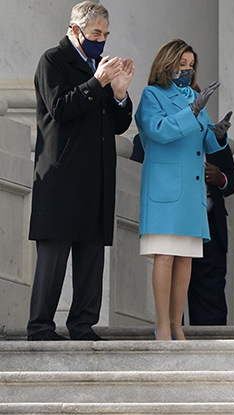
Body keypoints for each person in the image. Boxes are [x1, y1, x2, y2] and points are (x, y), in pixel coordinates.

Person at [27, 1, 134, 341]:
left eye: (105, 34)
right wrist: (98, 81)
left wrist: (118, 94)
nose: (101, 40)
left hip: (96, 176)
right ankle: (41, 326)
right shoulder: (52, 60)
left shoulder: (97, 67)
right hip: (61, 176)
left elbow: (117, 126)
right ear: (75, 30)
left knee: (91, 256)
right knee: (53, 257)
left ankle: (83, 325)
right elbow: (60, 108)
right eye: (95, 33)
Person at [135, 39, 230, 340]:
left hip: (191, 191)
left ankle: (178, 324)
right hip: (165, 189)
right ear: (168, 64)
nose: (187, 71)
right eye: (182, 65)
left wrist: (219, 135)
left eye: (190, 66)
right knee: (165, 256)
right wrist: (192, 111)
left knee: (185, 259)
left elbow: (203, 141)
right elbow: (158, 131)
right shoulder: (152, 95)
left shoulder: (194, 96)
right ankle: (163, 324)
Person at [131, 126, 234, 326]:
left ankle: (209, 353)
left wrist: (221, 178)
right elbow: (134, 174)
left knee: (211, 297)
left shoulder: (214, 137)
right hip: (171, 223)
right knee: (170, 292)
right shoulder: (149, 136)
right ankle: (171, 341)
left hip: (209, 226)